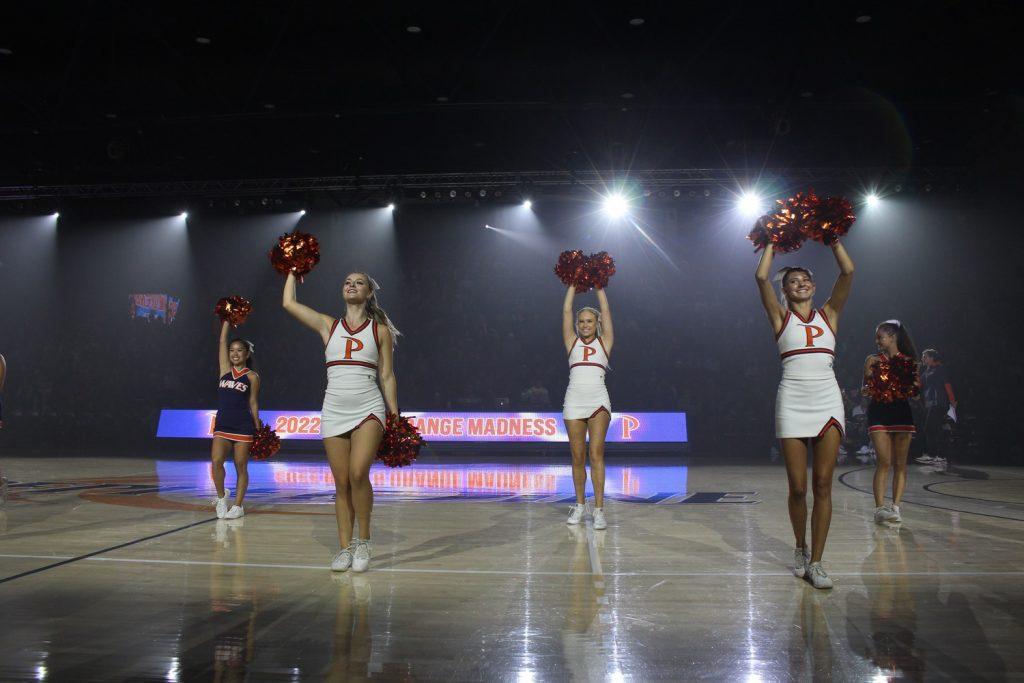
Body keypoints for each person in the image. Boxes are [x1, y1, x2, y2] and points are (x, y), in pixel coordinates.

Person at [283, 271, 400, 572]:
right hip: (334, 409)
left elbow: (386, 375)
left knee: (358, 473)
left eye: (358, 282)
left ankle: (364, 541)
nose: (351, 284)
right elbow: (288, 303)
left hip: (369, 408)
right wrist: (293, 272)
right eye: (346, 281)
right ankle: (344, 548)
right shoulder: (328, 325)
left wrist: (395, 414)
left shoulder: (380, 331)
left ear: (369, 293)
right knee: (341, 483)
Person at [754, 240, 854, 589]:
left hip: (827, 398)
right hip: (792, 399)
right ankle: (800, 546)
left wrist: (833, 240)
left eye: (805, 279)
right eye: (793, 280)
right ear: (786, 290)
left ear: (813, 285)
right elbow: (761, 276)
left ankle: (817, 562)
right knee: (797, 488)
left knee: (823, 484)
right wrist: (771, 241)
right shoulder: (780, 318)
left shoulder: (830, 314)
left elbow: (848, 271)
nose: (801, 283)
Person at [561, 284, 614, 530]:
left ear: (597, 323)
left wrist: (599, 284)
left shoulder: (605, 342)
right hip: (574, 401)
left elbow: (605, 308)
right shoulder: (571, 342)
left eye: (589, 321)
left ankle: (600, 509)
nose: (584, 325)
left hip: (598, 403)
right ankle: (580, 505)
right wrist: (573, 284)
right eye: (581, 321)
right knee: (577, 457)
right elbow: (566, 310)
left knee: (596, 455)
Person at [864, 320, 919, 524]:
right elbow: (866, 385)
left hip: (901, 414)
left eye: (880, 337)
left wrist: (910, 388)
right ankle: (879, 509)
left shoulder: (909, 361)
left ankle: (895, 508)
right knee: (884, 461)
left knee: (900, 464)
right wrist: (869, 387)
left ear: (892, 337)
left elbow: (915, 389)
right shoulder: (872, 359)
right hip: (878, 412)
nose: (877, 341)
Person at [211, 320, 260, 520]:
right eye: (232, 350)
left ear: (247, 354)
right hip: (223, 424)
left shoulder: (252, 377)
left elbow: (254, 403)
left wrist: (257, 427)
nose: (234, 354)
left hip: (242, 426)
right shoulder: (224, 371)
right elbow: (222, 340)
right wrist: (227, 320)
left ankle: (238, 506)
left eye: (239, 350)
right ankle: (222, 498)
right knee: (216, 461)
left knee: (241, 465)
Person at [916, 348, 957, 467]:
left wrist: (952, 401)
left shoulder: (940, 369)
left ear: (931, 358)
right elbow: (919, 384)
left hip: (938, 403)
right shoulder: (927, 371)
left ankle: (936, 455)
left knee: (930, 428)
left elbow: (947, 385)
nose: (922, 359)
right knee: (933, 429)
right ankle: (938, 456)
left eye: (925, 356)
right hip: (929, 404)